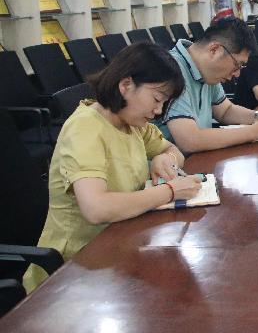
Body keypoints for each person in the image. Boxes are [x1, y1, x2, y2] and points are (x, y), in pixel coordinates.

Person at [24, 42, 202, 291]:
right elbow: (96, 209)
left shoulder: (132, 122)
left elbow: (173, 151)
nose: (158, 111)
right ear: (126, 85)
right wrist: (170, 191)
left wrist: (165, 159)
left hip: (122, 245)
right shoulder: (86, 128)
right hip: (76, 268)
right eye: (156, 99)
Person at [158, 17, 258, 154]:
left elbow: (225, 111)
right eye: (237, 64)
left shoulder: (207, 72)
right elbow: (189, 140)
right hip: (172, 163)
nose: (237, 74)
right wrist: (255, 132)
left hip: (200, 157)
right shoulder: (172, 69)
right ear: (214, 50)